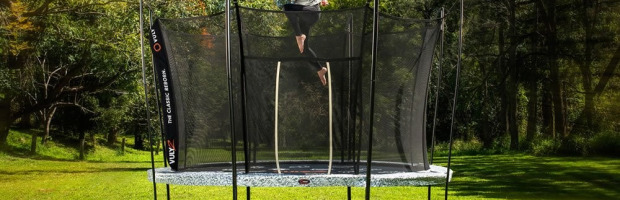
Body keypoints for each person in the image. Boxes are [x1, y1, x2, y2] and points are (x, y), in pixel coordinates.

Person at [283, 0, 329, 86]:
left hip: (311, 12)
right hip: (304, 16)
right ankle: (320, 69)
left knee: (287, 7)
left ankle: (299, 35)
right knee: (304, 49)